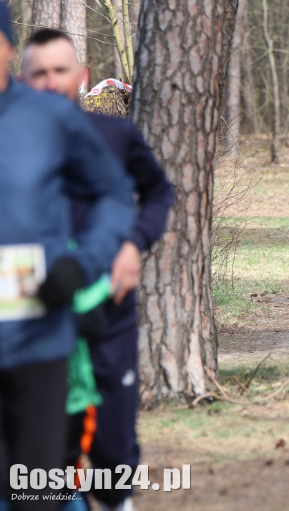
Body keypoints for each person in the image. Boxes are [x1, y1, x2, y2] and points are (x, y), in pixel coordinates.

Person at [22, 28, 176, 511]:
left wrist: (133, 246)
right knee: (42, 464)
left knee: (112, 451)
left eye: (60, 71)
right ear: (23, 81)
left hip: (108, 309)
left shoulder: (114, 135)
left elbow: (159, 193)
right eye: (39, 73)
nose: (51, 82)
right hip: (34, 315)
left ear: (82, 76)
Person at [0, 0, 134, 511]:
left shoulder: (51, 118)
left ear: (9, 49)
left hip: (38, 340)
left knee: (36, 493)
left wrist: (83, 264)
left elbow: (114, 195)